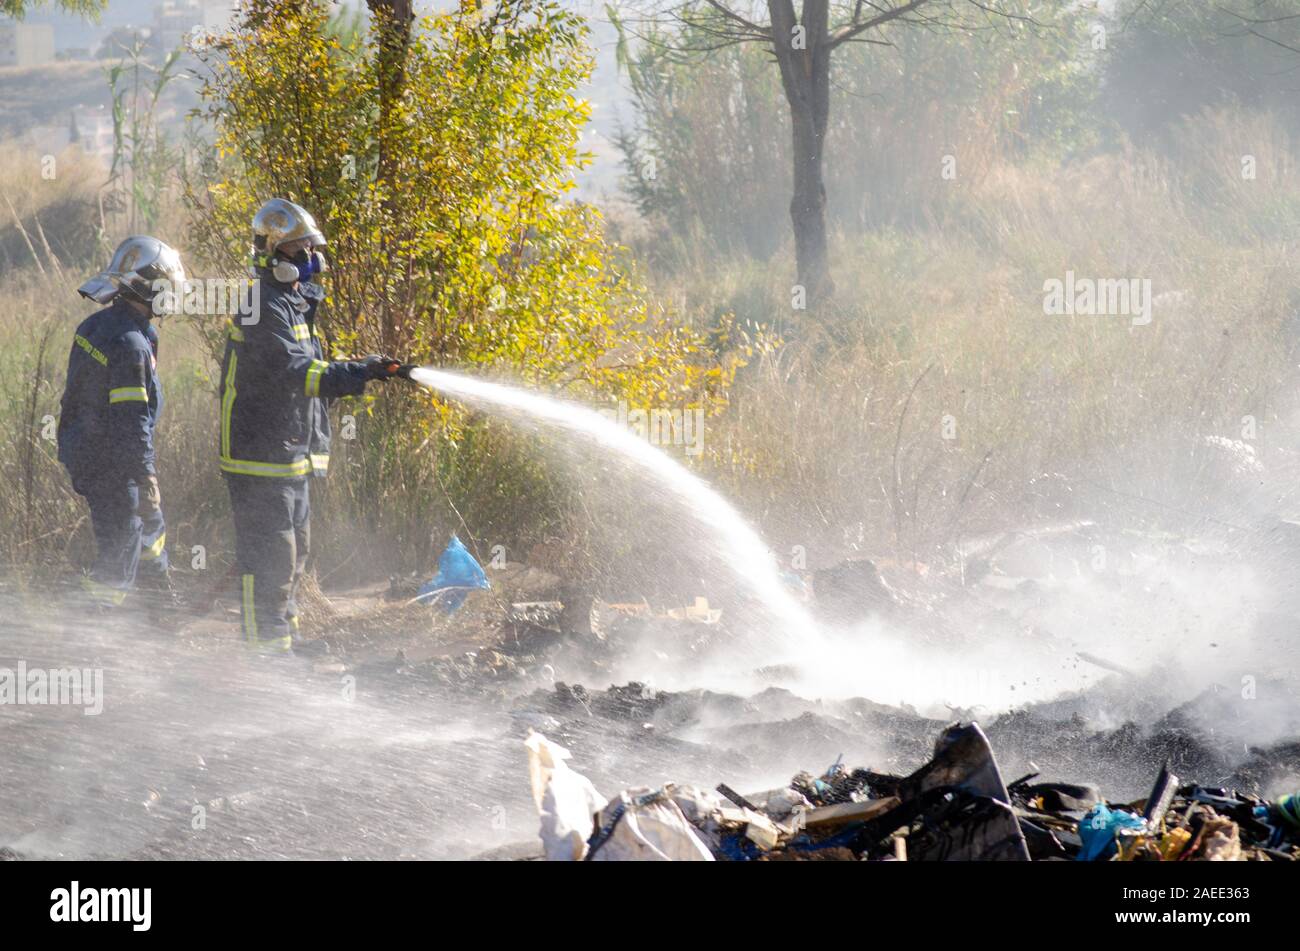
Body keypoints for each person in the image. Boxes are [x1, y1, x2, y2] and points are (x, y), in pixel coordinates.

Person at [219, 198, 408, 653]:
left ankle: (287, 639)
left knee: (295, 554)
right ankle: (265, 651)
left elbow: (309, 365)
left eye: (311, 247)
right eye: (300, 248)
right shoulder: (262, 305)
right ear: (274, 253)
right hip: (260, 454)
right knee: (270, 559)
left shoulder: (290, 301)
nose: (310, 257)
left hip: (288, 453)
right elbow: (299, 373)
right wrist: (359, 373)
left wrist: (368, 368)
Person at [58, 236, 184, 614]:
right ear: (146, 288)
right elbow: (133, 421)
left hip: (89, 452)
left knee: (150, 532)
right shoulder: (131, 345)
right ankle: (87, 629)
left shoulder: (96, 326)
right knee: (123, 544)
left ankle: (160, 610)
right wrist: (145, 478)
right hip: (115, 464)